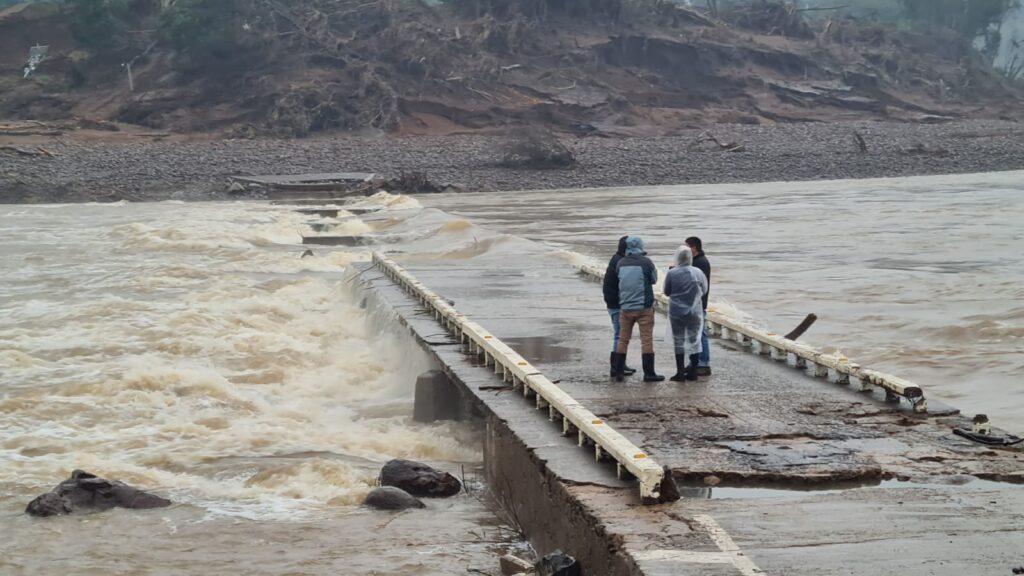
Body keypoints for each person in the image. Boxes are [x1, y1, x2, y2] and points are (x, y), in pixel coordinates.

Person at [613, 236, 664, 382]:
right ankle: (649, 373)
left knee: (623, 340)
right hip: (644, 308)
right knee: (646, 340)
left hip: (625, 307)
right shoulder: (646, 262)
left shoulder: (620, 263)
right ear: (641, 246)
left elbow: (619, 279)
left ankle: (618, 372)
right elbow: (654, 280)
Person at [663, 246, 709, 381]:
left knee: (679, 341)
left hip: (676, 312)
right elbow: (704, 290)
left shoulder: (672, 273)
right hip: (695, 312)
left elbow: (667, 291)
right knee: (695, 340)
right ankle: (693, 372)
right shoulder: (698, 272)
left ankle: (680, 372)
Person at [603, 236, 636, 377]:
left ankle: (620, 364)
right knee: (620, 334)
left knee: (620, 334)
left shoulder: (616, 259)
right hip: (617, 304)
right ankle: (617, 366)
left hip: (613, 302)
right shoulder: (620, 262)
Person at [686, 236, 712, 376]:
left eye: (687, 247)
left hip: (698, 304)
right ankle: (694, 362)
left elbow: (698, 285)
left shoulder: (700, 263)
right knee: (694, 334)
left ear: (694, 247)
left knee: (701, 333)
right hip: (694, 303)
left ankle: (703, 363)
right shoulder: (696, 262)